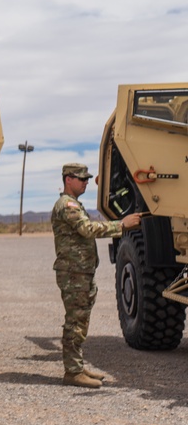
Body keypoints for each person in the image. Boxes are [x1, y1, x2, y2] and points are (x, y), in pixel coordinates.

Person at [52, 162, 140, 388]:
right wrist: (122, 224)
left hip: (80, 271)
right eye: (81, 178)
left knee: (80, 320)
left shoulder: (74, 204)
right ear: (68, 179)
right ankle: (72, 372)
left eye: (87, 179)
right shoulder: (67, 204)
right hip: (74, 273)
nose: (86, 182)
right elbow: (87, 229)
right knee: (75, 322)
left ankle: (77, 367)